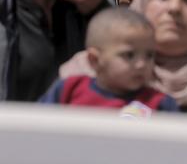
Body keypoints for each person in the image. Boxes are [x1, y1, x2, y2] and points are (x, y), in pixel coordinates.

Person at [40, 8, 178, 114]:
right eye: (129, 55)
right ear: (94, 60)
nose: (142, 64)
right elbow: (37, 126)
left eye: (149, 55)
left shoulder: (161, 103)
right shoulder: (68, 89)